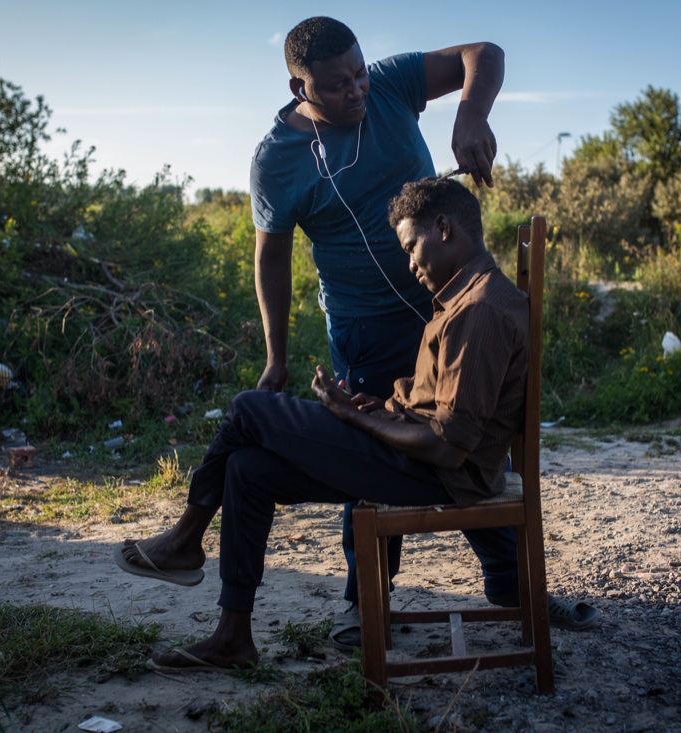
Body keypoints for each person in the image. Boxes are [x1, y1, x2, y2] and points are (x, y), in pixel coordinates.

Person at [119, 16, 599, 642]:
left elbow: (484, 51)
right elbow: (271, 255)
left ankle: (513, 584)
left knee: (456, 435)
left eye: (358, 73)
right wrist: (276, 354)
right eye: (337, 84)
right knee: (367, 461)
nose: (356, 90)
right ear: (301, 88)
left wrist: (470, 114)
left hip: (447, 309)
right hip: (364, 327)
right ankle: (363, 602)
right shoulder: (279, 160)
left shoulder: (391, 84)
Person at [119, 178, 534, 671]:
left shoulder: (480, 310)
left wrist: (347, 418)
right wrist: (375, 407)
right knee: (248, 470)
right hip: (417, 458)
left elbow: (448, 446)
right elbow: (439, 407)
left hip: (434, 472)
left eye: (410, 247)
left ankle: (186, 540)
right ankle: (232, 639)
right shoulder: (465, 299)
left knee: (250, 408)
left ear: (443, 228)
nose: (410, 264)